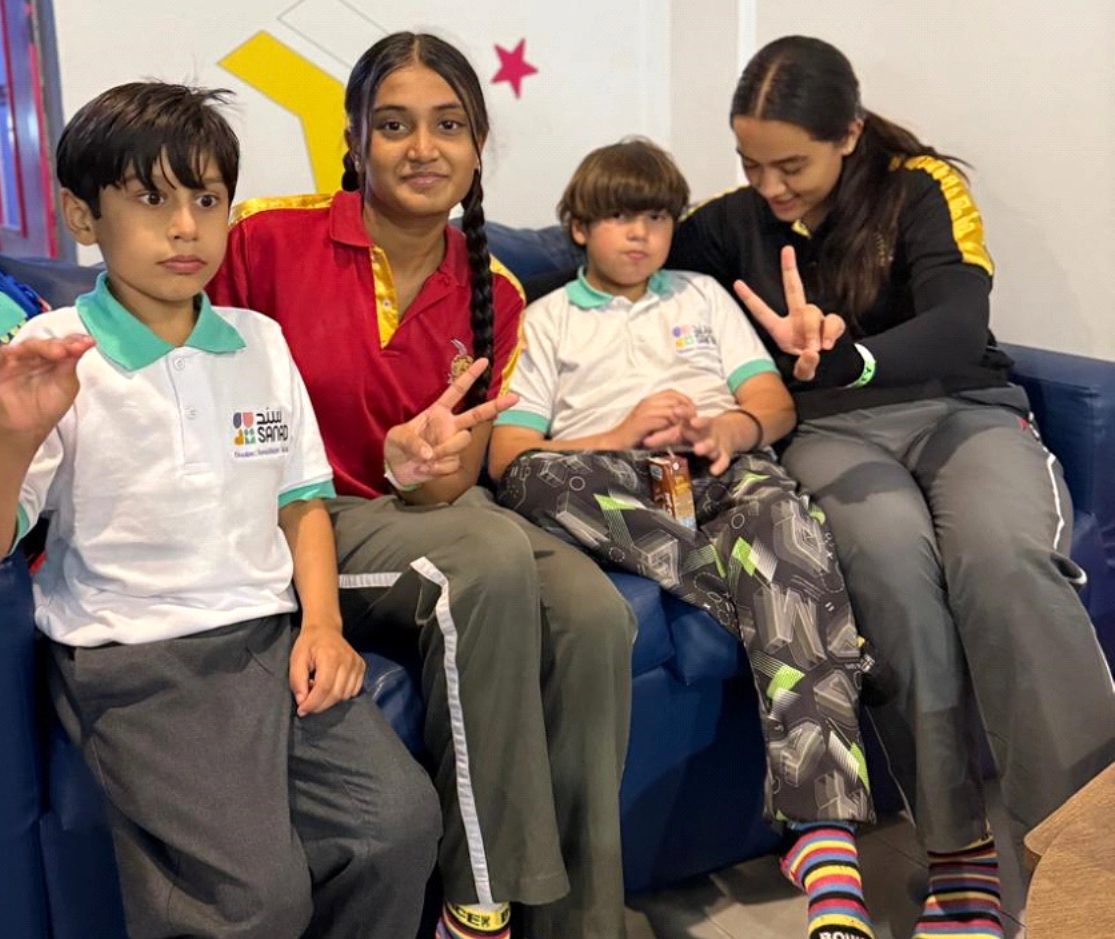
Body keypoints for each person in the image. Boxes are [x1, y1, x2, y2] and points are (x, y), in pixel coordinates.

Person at [0, 81, 441, 939]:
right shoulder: (51, 352)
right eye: (151, 198)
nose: (185, 227)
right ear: (83, 215)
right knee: (257, 898)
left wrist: (324, 626)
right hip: (133, 661)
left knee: (398, 824)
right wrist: (13, 438)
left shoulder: (259, 341)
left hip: (268, 640)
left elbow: (302, 503)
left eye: (206, 200)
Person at [665, 35, 1115, 939]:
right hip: (831, 434)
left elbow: (960, 322)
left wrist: (853, 359)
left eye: (791, 165)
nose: (770, 186)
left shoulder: (920, 187)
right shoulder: (725, 223)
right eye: (750, 164)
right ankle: (956, 855)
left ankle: (1087, 862)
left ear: (850, 133)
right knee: (892, 575)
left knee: (1005, 562)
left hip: (963, 410)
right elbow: (613, 255)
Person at [214, 33, 639, 939]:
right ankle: (478, 906)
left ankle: (581, 922)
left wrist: (424, 467)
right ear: (354, 140)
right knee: (482, 559)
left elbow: (451, 489)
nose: (423, 148)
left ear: (478, 144)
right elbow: (150, 343)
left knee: (596, 615)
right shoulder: (264, 237)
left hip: (424, 514)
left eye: (448, 125)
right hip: (302, 516)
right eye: (395, 125)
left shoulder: (496, 290)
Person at [491, 137, 879, 939]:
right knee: (536, 481)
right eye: (619, 218)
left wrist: (728, 428)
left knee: (780, 517)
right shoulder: (547, 319)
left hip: (722, 473)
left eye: (658, 218)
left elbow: (773, 403)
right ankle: (786, 599)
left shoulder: (702, 295)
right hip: (612, 481)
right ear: (578, 228)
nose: (640, 234)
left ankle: (828, 855)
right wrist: (621, 432)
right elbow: (508, 455)